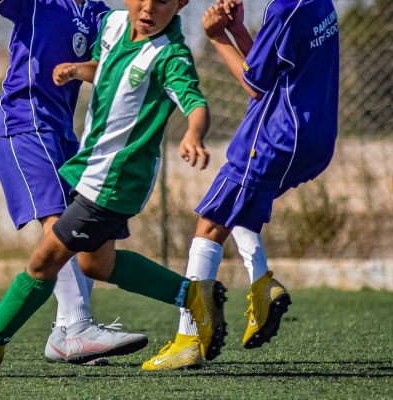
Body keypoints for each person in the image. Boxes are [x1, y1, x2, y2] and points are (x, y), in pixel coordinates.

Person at [0, 0, 228, 377]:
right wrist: (77, 70)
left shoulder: (154, 45)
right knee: (94, 261)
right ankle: (185, 299)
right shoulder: (94, 18)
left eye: (163, 1)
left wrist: (193, 133)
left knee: (49, 256)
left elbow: (193, 100)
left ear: (180, 4)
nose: (149, 7)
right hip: (53, 143)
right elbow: (112, 70)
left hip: (108, 175)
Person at [142, 0, 340, 370]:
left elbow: (254, 86)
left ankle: (188, 340)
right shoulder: (317, 3)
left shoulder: (283, 9)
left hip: (277, 135)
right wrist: (239, 31)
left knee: (210, 223)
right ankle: (262, 286)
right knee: (241, 208)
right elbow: (276, 71)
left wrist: (217, 37)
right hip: (317, 137)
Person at [0, 0, 148, 366]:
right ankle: (80, 327)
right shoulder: (38, 3)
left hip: (63, 134)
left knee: (87, 230)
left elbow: (116, 63)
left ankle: (62, 334)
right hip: (25, 125)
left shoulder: (99, 14)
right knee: (61, 225)